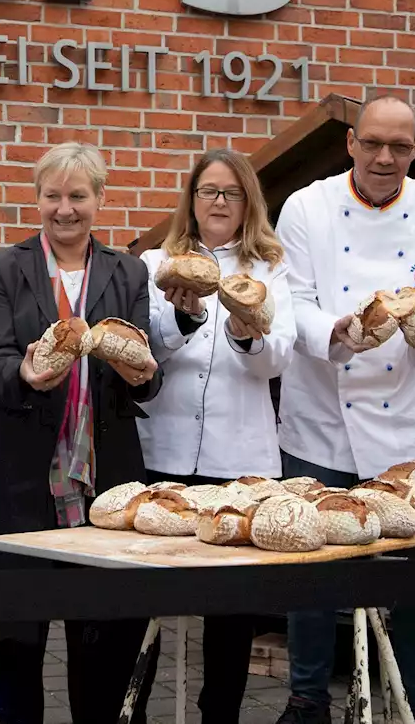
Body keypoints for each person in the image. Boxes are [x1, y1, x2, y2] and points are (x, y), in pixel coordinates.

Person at [273, 94, 415, 724]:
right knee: (311, 577)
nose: (385, 157)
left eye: (401, 147)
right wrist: (337, 331)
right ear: (351, 144)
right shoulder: (306, 207)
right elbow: (293, 302)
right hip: (319, 423)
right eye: (373, 144)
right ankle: (308, 701)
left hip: (401, 430)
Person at [0, 141, 163, 724]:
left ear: (100, 199)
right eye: (53, 195)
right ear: (37, 199)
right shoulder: (7, 266)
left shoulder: (129, 270)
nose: (65, 209)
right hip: (21, 473)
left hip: (106, 473)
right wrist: (23, 373)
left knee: (101, 634)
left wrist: (143, 373)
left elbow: (145, 372)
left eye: (78, 195)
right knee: (19, 638)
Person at [137, 147, 297, 724]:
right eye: (209, 191)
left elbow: (278, 359)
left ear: (248, 201)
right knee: (147, 598)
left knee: (230, 611)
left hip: (241, 457)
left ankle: (220, 715)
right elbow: (148, 350)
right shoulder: (159, 262)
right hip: (165, 452)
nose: (219, 202)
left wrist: (244, 328)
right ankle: (131, 707)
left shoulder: (273, 268)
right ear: (192, 199)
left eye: (231, 192)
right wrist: (185, 316)